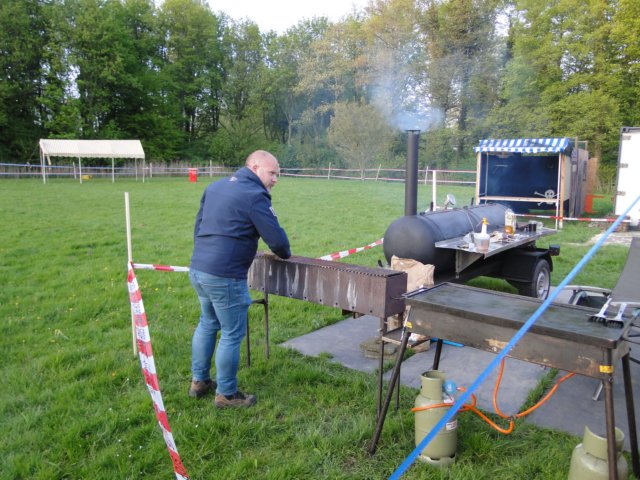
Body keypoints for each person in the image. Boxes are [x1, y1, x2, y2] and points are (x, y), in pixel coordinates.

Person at [188, 150, 291, 408]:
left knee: (208, 323)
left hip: (199, 268)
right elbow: (277, 241)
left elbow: (198, 226)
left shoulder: (215, 187)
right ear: (254, 168)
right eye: (272, 173)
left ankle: (198, 382)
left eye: (278, 174)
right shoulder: (255, 196)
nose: (276, 179)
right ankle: (227, 394)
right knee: (232, 333)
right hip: (226, 275)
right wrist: (285, 253)